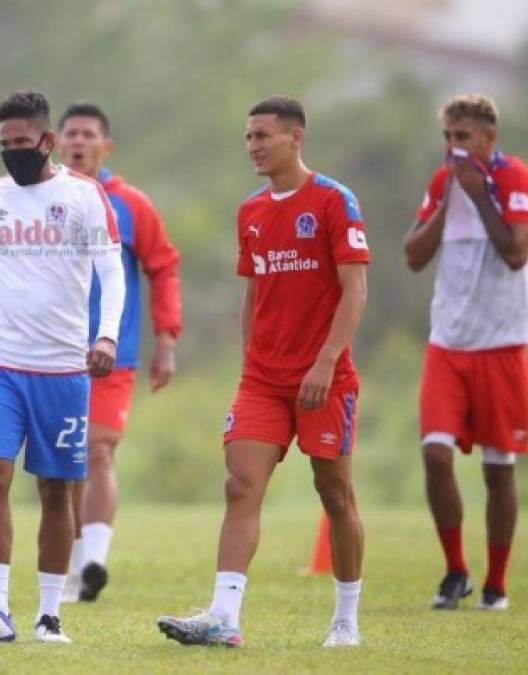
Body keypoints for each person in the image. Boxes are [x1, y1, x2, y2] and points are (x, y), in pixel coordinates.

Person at [157, 95, 370, 648]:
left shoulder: (333, 201)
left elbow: (355, 290)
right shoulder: (250, 210)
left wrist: (325, 360)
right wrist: (251, 361)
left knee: (335, 495)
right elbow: (254, 293)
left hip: (325, 378)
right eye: (248, 137)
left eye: (263, 136)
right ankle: (224, 617)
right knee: (241, 484)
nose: (252, 145)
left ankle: (346, 618)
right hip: (263, 380)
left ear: (296, 137)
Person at [0, 90, 125, 644]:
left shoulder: (84, 196)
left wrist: (105, 336)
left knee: (56, 490)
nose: (12, 154)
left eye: (22, 144)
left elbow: (112, 274)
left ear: (47, 142)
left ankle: (49, 616)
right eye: (4, 146)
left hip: (63, 371)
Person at [403, 93, 528, 612]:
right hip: (447, 345)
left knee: (498, 470)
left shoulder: (515, 178)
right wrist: (450, 198)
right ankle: (455, 571)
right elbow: (413, 256)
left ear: (488, 139)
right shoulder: (444, 183)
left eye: (463, 137)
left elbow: (517, 252)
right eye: (448, 137)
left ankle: (496, 581)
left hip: (501, 344)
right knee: (435, 454)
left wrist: (479, 195)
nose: (454, 147)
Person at [55, 102, 181, 603]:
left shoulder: (131, 204)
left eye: (89, 134)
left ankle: (93, 563)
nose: (79, 142)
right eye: (71, 134)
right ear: (57, 143)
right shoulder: (41, 200)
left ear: (106, 146)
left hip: (111, 353)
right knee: (64, 462)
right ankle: (71, 564)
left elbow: (163, 266)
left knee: (99, 450)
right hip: (50, 354)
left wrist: (166, 340)